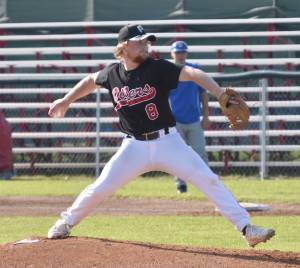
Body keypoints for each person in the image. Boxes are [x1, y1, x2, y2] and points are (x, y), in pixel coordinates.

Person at [47, 24, 275, 247]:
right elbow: (90, 80)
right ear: (124, 46)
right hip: (133, 147)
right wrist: (66, 100)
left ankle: (247, 229)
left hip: (168, 142)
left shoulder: (157, 68)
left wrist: (218, 92)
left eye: (147, 41)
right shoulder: (112, 74)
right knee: (101, 186)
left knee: (208, 179)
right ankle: (65, 222)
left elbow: (194, 74)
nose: (146, 46)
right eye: (140, 42)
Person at [169, 41, 210, 193]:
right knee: (178, 155)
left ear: (186, 53)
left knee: (200, 152)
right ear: (172, 54)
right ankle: (181, 184)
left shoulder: (195, 70)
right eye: (177, 52)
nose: (180, 55)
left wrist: (206, 115)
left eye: (182, 52)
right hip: (175, 120)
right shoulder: (167, 71)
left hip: (194, 119)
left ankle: (207, 183)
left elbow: (203, 94)